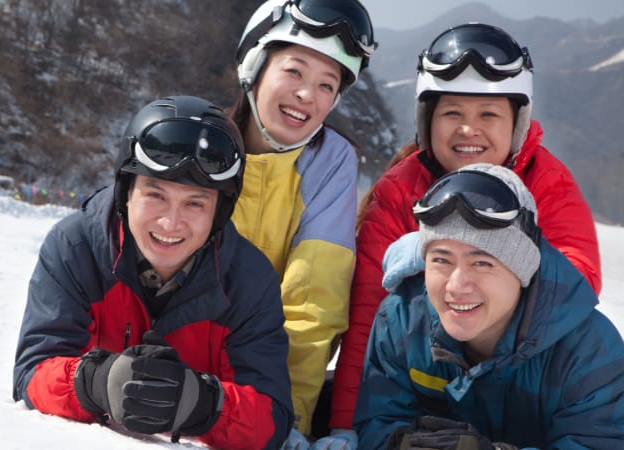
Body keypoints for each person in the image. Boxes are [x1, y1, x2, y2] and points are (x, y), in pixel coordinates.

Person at [318, 22, 603, 449]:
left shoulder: (547, 182)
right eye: (452, 113)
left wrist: (447, 248)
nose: (469, 130)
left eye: (488, 114)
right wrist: (346, 427)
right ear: (427, 121)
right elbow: (368, 316)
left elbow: (576, 282)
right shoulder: (401, 189)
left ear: (517, 124)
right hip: (431, 383)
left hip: (526, 386)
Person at [11, 95, 294, 450]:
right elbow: (33, 373)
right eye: (155, 195)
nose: (170, 222)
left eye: (195, 202)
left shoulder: (249, 281)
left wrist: (198, 403)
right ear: (125, 192)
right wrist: (98, 382)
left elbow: (271, 420)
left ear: (220, 212)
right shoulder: (77, 249)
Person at [353, 163, 624, 449]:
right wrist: (401, 442)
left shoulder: (587, 351)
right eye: (441, 260)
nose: (456, 286)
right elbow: (377, 421)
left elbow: (599, 443)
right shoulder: (402, 321)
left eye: (482, 263)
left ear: (523, 271)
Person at [228, 0, 377, 446]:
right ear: (255, 66)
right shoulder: (204, 144)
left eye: (326, 85)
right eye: (293, 72)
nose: (308, 95)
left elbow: (314, 304)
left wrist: (285, 417)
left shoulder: (329, 162)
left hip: (267, 389)